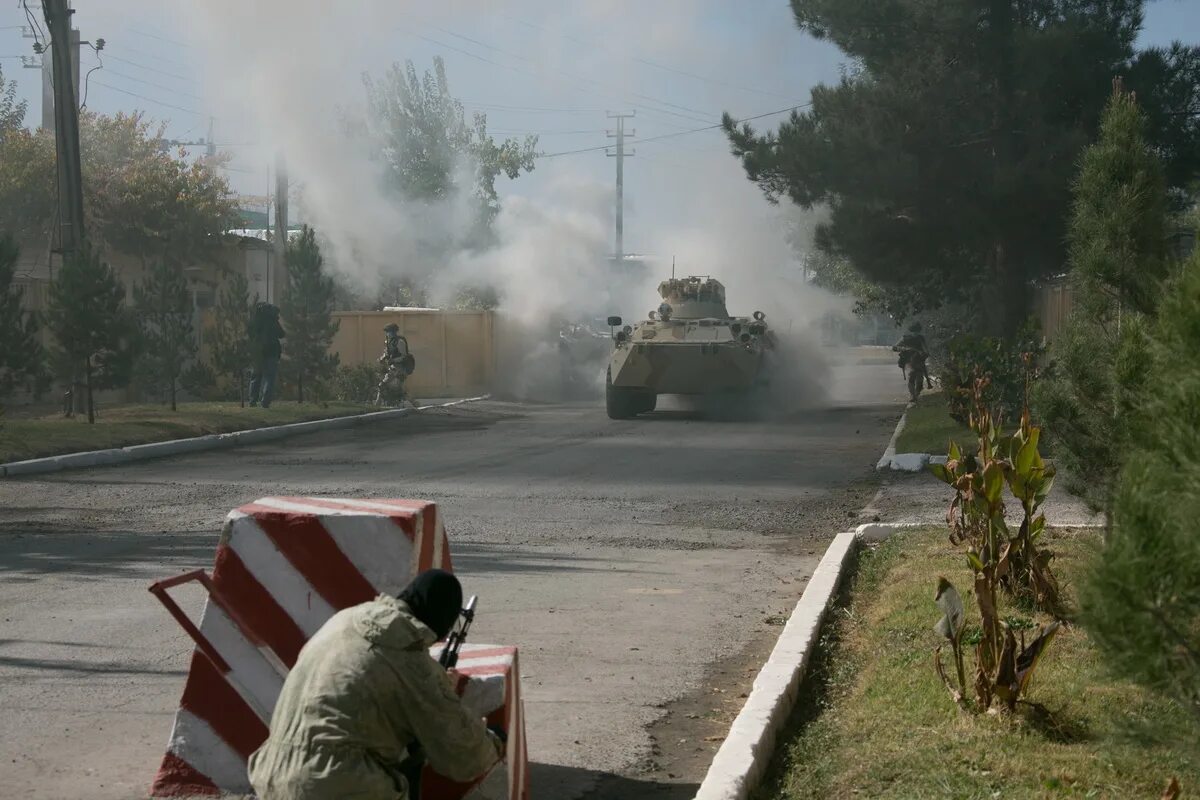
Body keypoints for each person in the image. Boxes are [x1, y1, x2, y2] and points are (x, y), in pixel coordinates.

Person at [247, 570, 502, 800]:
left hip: (271, 773)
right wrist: (494, 741)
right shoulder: (411, 659)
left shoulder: (344, 620)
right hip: (332, 785)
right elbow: (463, 756)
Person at [249, 303, 285, 408]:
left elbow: (250, 332)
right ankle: (265, 402)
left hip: (257, 352)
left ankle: (252, 401)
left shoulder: (256, 320)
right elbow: (282, 334)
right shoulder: (273, 321)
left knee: (255, 376)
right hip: (272, 352)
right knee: (269, 378)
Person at [375, 323, 415, 406]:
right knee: (382, 385)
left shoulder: (399, 342)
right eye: (387, 332)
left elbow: (404, 356)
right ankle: (377, 404)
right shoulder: (388, 341)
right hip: (393, 368)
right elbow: (386, 353)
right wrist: (382, 359)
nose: (388, 334)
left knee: (399, 389)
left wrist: (393, 360)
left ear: (394, 332)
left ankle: (414, 403)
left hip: (401, 368)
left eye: (389, 332)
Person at [892, 322, 933, 388]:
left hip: (919, 360)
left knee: (921, 375)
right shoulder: (905, 338)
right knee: (911, 376)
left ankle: (927, 383)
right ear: (911, 331)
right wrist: (906, 349)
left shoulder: (920, 338)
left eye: (917, 331)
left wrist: (925, 353)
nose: (915, 333)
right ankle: (913, 395)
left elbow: (925, 348)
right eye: (914, 331)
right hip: (908, 360)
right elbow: (894, 348)